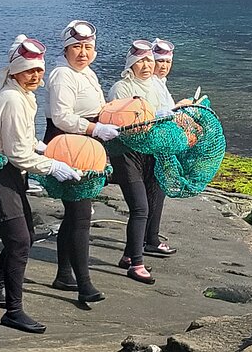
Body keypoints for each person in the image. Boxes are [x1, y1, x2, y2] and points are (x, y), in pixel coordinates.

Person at [0, 35, 82, 334]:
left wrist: (42, 146)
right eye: (29, 70)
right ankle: (13, 311)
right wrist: (53, 166)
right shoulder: (11, 99)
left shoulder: (24, 96)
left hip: (9, 174)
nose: (36, 75)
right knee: (20, 240)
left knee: (24, 236)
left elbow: (19, 141)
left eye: (39, 70)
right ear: (14, 71)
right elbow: (17, 154)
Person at [43, 20, 118, 303]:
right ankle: (84, 283)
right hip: (67, 147)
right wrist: (94, 129)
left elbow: (98, 108)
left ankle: (64, 274)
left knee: (75, 215)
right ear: (65, 50)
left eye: (88, 47)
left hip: (87, 147)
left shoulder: (88, 74)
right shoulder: (62, 75)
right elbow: (61, 117)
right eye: (76, 47)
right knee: (81, 215)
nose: (83, 52)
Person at [107, 40, 177, 285]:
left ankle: (128, 255)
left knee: (148, 201)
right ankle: (137, 264)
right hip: (125, 153)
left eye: (149, 61)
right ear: (131, 64)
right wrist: (154, 116)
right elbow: (121, 121)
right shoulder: (121, 88)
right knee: (140, 208)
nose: (146, 65)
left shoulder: (156, 86)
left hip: (149, 151)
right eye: (140, 61)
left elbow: (167, 113)